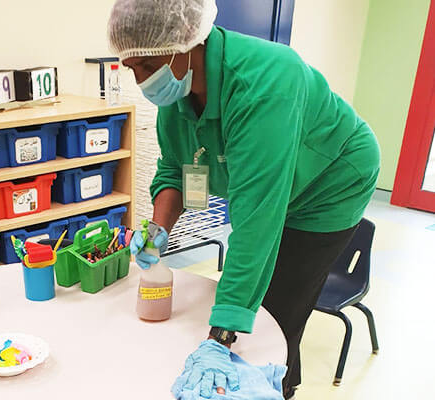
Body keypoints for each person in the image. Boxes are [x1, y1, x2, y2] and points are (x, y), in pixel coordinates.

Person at [107, 0, 381, 399]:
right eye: (133, 70)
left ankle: (278, 387)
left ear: (186, 44)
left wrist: (220, 337)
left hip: (332, 182)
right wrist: (156, 232)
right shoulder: (177, 97)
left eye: (148, 68)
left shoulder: (265, 83)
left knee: (279, 305)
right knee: (249, 296)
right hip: (274, 181)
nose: (143, 83)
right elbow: (176, 171)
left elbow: (256, 222)